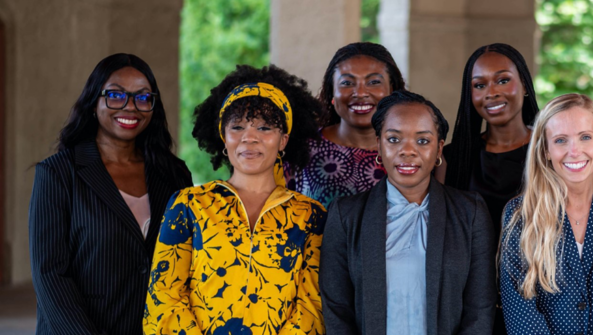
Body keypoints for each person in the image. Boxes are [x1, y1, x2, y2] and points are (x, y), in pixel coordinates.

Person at [144, 65, 326, 334]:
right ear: (223, 136)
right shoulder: (188, 205)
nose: (249, 138)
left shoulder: (311, 215)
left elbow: (312, 305)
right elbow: (163, 298)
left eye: (265, 128)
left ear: (284, 140)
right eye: (237, 126)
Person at [29, 53, 192, 335]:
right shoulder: (58, 174)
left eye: (143, 98)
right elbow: (50, 275)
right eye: (116, 95)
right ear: (94, 101)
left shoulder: (174, 174)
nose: (130, 107)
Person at [320, 90, 496, 334]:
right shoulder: (346, 215)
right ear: (378, 146)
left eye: (422, 141)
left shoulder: (470, 213)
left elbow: (481, 308)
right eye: (394, 139)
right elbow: (337, 309)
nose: (408, 151)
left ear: (439, 150)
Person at [500, 93, 593, 334]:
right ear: (545, 150)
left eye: (585, 137)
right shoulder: (521, 215)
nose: (574, 151)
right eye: (561, 140)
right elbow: (521, 314)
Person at [286, 42, 406, 205]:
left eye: (374, 82)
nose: (361, 93)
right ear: (332, 92)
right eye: (347, 83)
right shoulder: (300, 151)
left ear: (392, 90)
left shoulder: (414, 151)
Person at [440, 43, 540, 226]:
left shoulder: (549, 150)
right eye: (479, 85)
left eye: (503, 81)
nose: (491, 93)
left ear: (524, 85)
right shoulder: (452, 158)